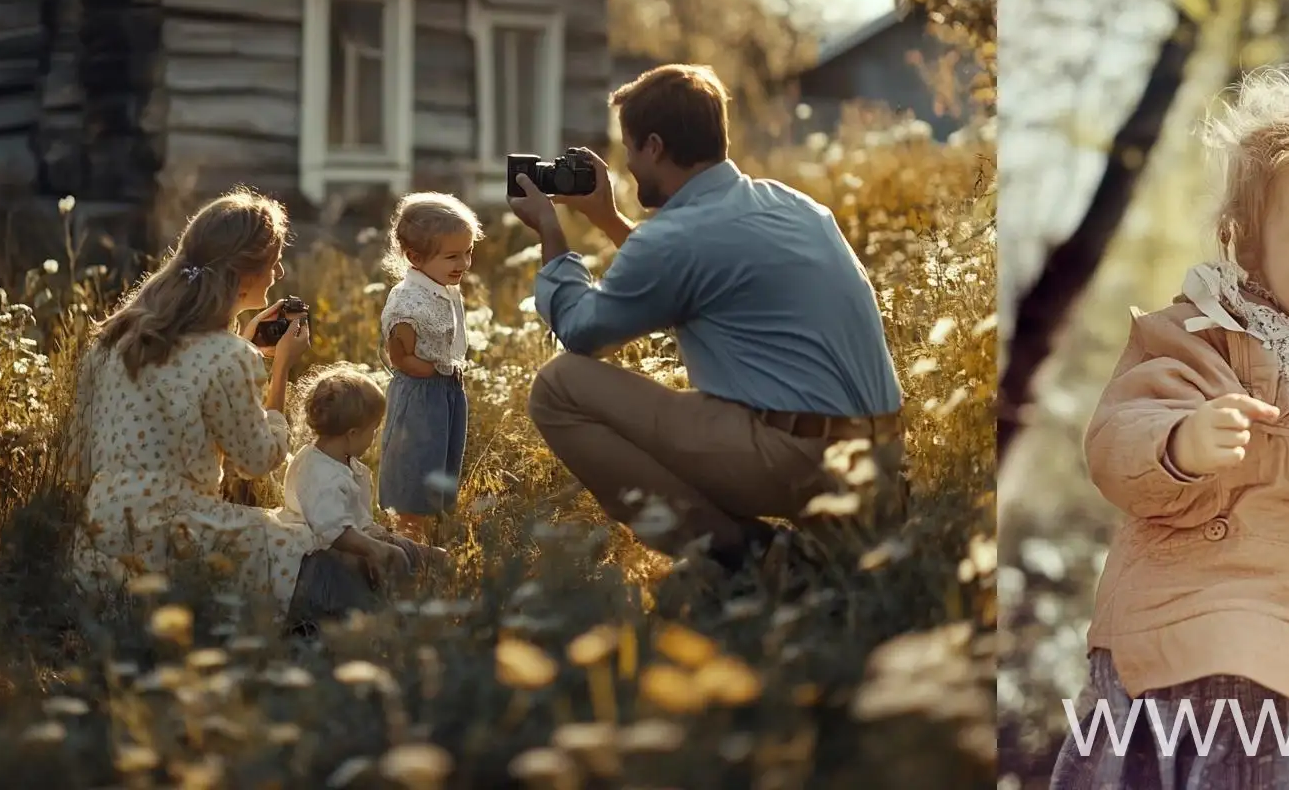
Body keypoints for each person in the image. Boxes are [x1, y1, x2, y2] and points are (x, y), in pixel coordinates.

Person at [1045, 67, 1289, 790]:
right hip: (1178, 625)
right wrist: (1181, 443)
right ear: (1247, 244)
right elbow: (1117, 441)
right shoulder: (1200, 332)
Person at [515, 63, 903, 569]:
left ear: (654, 146)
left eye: (630, 148)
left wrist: (551, 231)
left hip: (798, 460)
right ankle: (833, 536)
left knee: (558, 386)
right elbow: (685, 268)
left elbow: (581, 332)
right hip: (882, 459)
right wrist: (606, 219)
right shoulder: (795, 204)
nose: (627, 164)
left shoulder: (674, 238)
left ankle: (745, 558)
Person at [70, 189, 335, 627]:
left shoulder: (114, 340)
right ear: (245, 272)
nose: (280, 271)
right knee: (304, 539)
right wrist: (281, 368)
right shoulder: (226, 356)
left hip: (99, 540)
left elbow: (77, 458)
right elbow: (257, 460)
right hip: (177, 536)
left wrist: (245, 348)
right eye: (273, 260)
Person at [279, 364, 432, 625]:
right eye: (374, 429)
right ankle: (405, 623)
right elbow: (333, 530)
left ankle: (418, 610)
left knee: (434, 557)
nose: (375, 436)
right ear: (352, 434)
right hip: (327, 560)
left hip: (355, 542)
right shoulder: (319, 473)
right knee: (399, 562)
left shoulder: (340, 460)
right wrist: (374, 548)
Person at [378, 192, 481, 543]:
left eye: (468, 252)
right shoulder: (408, 301)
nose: (464, 263)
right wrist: (428, 371)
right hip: (421, 393)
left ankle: (425, 535)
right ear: (415, 257)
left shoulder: (443, 286)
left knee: (442, 460)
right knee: (416, 464)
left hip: (446, 389)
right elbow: (400, 354)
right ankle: (408, 538)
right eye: (453, 256)